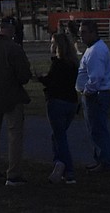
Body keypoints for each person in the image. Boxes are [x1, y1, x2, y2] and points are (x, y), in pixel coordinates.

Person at [0, 16, 32, 186]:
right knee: (14, 135)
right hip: (11, 96)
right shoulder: (14, 48)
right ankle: (14, 173)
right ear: (12, 29)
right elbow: (23, 76)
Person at [36, 32, 79, 184]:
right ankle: (60, 165)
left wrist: (40, 78)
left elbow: (52, 82)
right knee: (57, 135)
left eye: (53, 43)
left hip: (57, 101)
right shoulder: (73, 63)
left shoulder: (58, 64)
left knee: (60, 137)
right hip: (71, 102)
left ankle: (66, 168)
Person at [76, 19, 110, 172]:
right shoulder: (94, 48)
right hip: (96, 94)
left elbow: (95, 77)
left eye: (84, 32)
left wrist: (87, 91)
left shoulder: (95, 51)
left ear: (93, 32)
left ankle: (104, 162)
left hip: (95, 95)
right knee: (95, 129)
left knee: (97, 129)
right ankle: (100, 159)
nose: (81, 36)